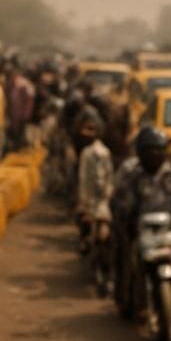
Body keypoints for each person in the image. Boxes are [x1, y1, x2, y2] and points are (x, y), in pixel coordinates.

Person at [111, 125, 171, 319]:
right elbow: (122, 206)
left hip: (167, 231)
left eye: (159, 149)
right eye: (150, 150)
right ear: (140, 152)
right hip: (139, 231)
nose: (155, 154)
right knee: (125, 257)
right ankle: (127, 300)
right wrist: (126, 227)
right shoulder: (132, 176)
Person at [73, 107, 115, 295]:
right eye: (85, 129)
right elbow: (83, 182)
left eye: (91, 129)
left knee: (104, 237)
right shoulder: (86, 153)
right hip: (89, 201)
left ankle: (106, 273)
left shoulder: (103, 153)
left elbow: (108, 178)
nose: (87, 133)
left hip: (101, 202)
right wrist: (83, 206)